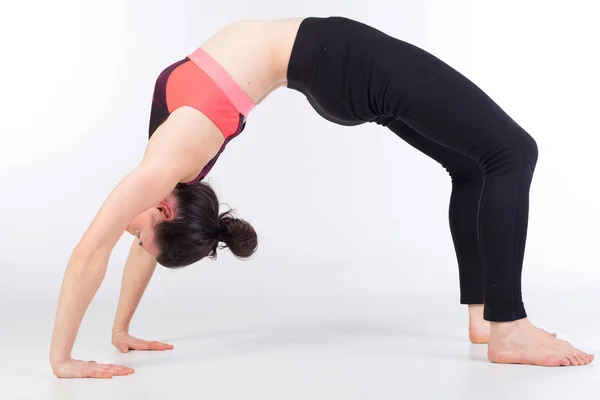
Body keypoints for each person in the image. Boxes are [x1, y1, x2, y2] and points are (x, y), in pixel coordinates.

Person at [49, 16, 594, 378]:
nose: (130, 233)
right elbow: (88, 251)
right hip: (338, 59)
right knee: (513, 152)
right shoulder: (169, 165)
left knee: (472, 165)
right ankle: (510, 328)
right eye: (140, 232)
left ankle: (484, 316)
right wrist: (62, 360)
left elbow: (137, 243)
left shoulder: (167, 159)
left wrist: (120, 330)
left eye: (138, 238)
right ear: (168, 208)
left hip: (328, 68)